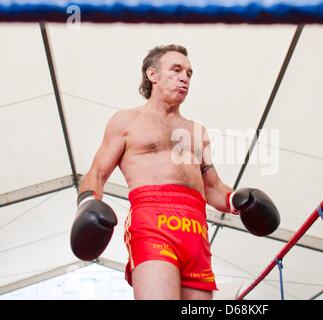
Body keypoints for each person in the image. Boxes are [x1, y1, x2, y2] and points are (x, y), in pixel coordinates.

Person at [70, 44, 280, 300]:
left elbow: (212, 188)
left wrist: (238, 200)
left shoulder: (196, 131)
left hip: (195, 228)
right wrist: (88, 202)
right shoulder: (126, 121)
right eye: (177, 69)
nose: (185, 78)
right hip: (152, 222)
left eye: (189, 73)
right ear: (152, 75)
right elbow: (97, 173)